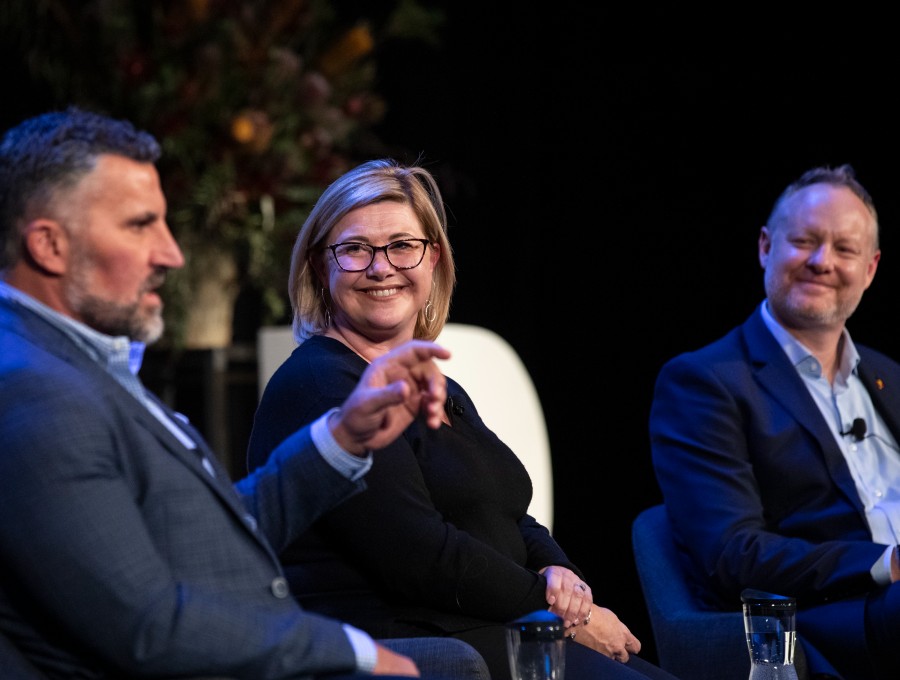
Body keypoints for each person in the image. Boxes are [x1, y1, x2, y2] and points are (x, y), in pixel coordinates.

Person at [0, 107, 493, 680]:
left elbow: (213, 538)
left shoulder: (76, 363)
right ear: (49, 246)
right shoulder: (36, 393)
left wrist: (342, 439)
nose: (172, 254)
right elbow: (148, 629)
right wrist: (348, 651)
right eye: (140, 225)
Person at [246, 158, 682, 680]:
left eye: (403, 246)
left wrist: (560, 572)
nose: (381, 267)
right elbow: (415, 553)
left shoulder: (439, 386)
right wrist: (565, 615)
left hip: (480, 621)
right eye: (355, 249)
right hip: (408, 638)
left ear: (434, 261)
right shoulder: (319, 384)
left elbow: (507, 512)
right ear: (322, 267)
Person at [649, 164, 900, 680]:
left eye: (844, 249)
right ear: (766, 246)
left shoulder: (890, 378)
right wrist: (885, 563)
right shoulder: (705, 381)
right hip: (830, 617)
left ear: (870, 269)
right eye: (804, 240)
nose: (821, 261)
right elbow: (731, 552)